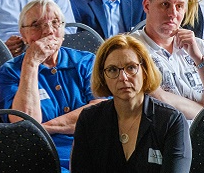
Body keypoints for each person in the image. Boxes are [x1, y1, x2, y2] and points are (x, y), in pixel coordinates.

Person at [0, 0, 97, 171]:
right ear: (23, 34)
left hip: (93, 150)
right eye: (36, 25)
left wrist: (44, 128)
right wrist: (31, 63)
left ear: (64, 30)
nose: (48, 31)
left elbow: (100, 111)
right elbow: (24, 123)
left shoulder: (85, 62)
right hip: (41, 157)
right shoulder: (10, 72)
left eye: (55, 23)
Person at [71, 34, 191, 172]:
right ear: (103, 77)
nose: (123, 77)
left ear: (144, 71)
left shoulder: (171, 121)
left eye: (131, 67)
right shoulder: (89, 119)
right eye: (112, 70)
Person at [131, 0, 204, 120]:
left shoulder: (199, 46)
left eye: (179, 6)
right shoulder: (132, 48)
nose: (172, 13)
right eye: (165, 4)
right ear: (147, 6)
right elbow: (159, 99)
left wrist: (199, 59)